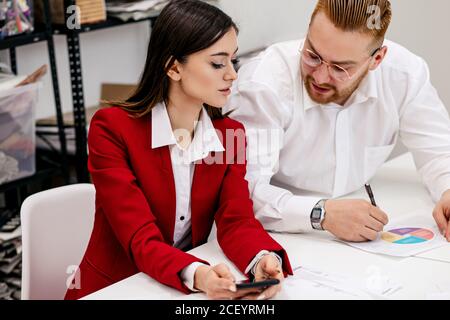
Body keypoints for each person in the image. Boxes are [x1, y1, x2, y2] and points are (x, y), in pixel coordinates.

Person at [65, 0, 292, 300]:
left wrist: (262, 258)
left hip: (175, 290)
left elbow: (236, 219)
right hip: (116, 289)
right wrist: (200, 275)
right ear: (173, 67)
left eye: (233, 61)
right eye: (217, 63)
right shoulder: (111, 129)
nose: (233, 75)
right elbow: (140, 239)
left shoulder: (231, 136)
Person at [225, 0, 450, 242]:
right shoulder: (264, 84)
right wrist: (320, 213)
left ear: (377, 59)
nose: (320, 76)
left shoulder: (405, 74)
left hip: (361, 225)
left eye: (341, 68)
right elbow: (240, 192)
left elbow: (439, 151)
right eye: (313, 55)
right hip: (280, 234)